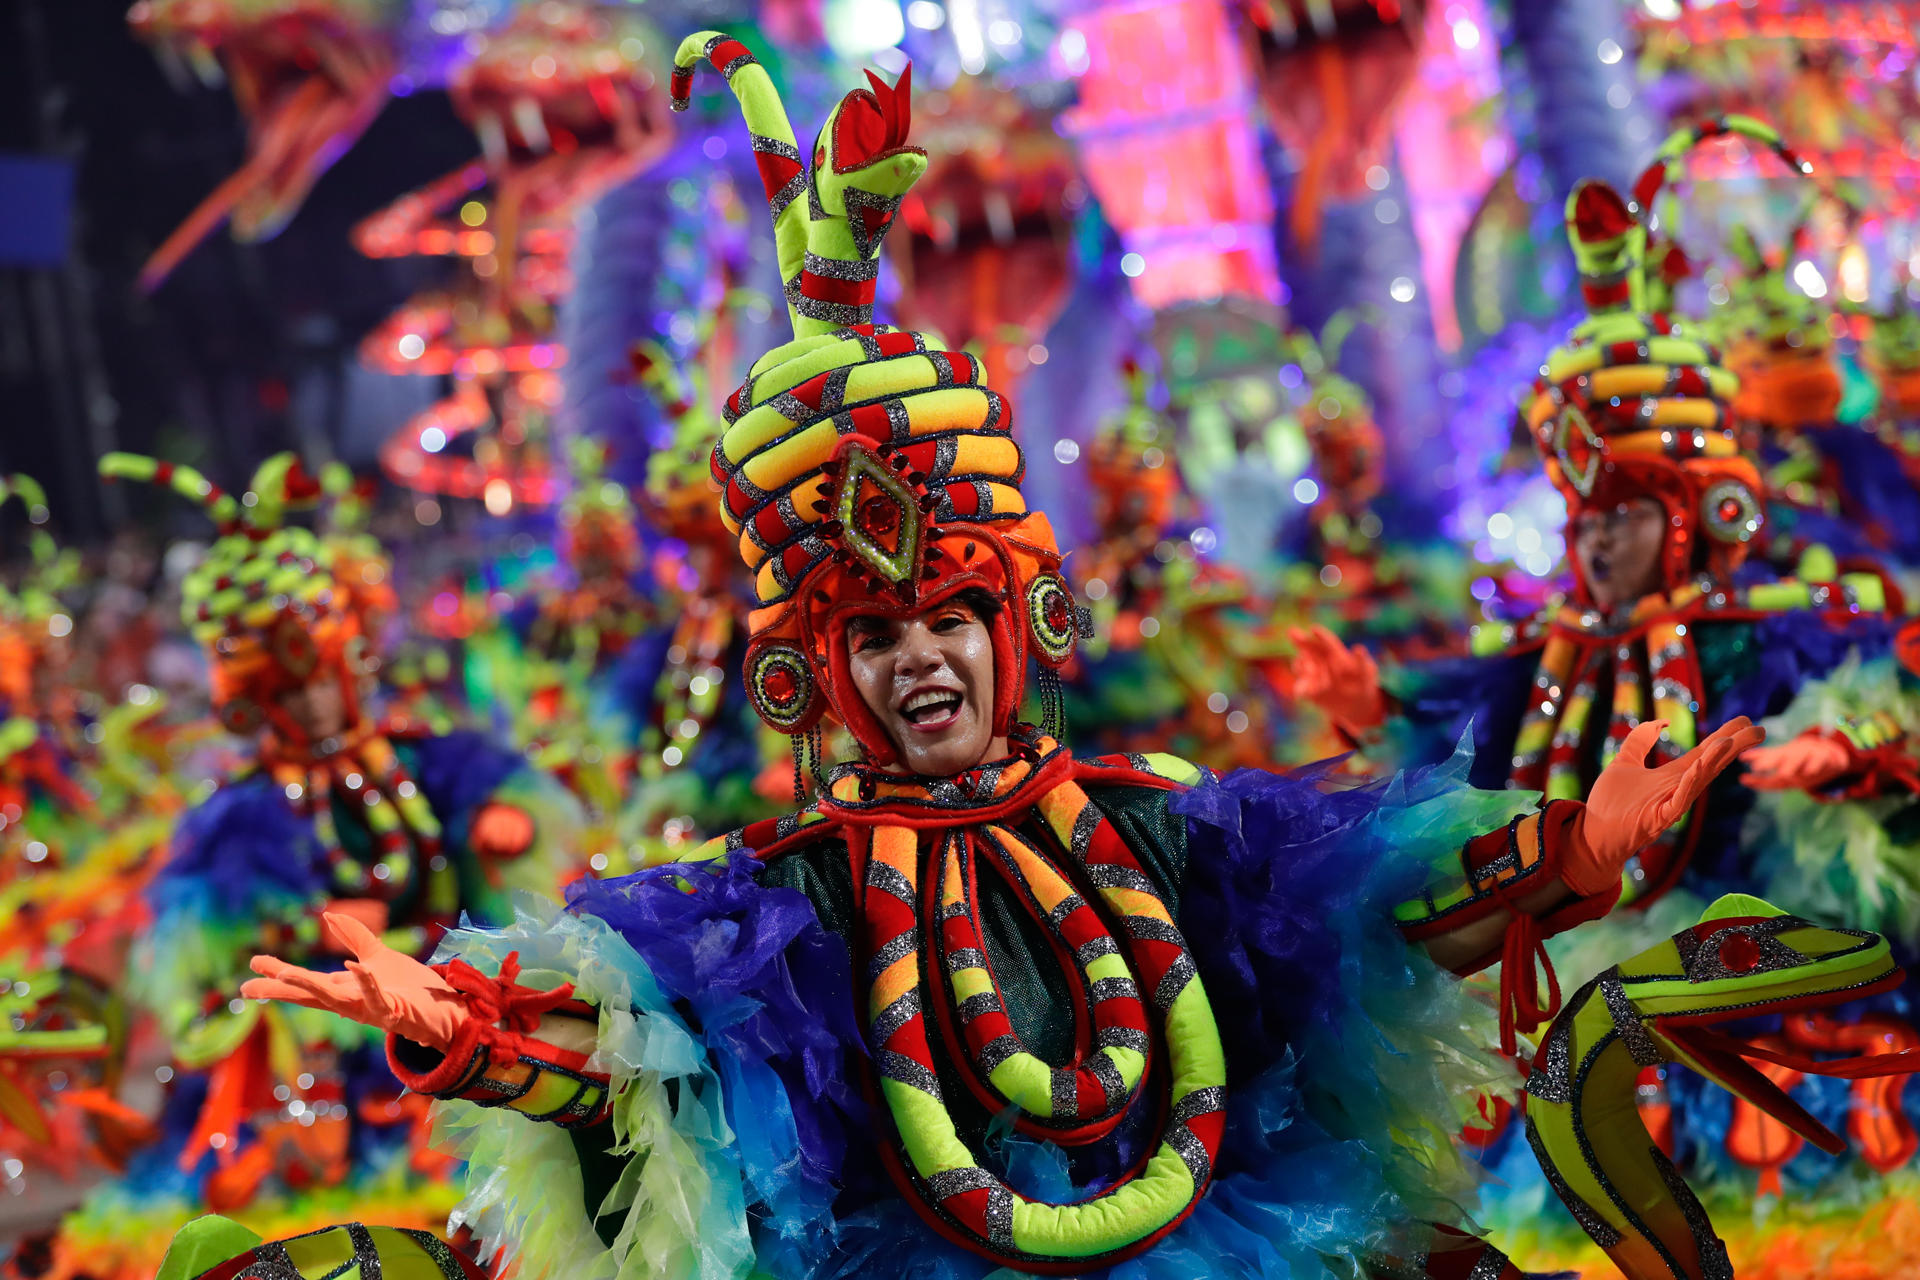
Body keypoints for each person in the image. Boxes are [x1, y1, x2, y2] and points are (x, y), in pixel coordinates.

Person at [208, 38, 1774, 1280]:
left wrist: (1577, 852)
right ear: (815, 683)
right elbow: (646, 1052)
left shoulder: (1161, 824)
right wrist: (466, 1032)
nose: (922, 663)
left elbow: (1367, 913)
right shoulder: (788, 895)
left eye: (950, 619)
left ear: (1019, 629)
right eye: (874, 639)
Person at [43, 454, 582, 1280]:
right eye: (281, 695)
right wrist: (304, 930)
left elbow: (491, 789)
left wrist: (498, 820)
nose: (308, 706)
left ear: (347, 660)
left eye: (315, 680)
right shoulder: (239, 810)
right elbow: (206, 934)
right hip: (319, 1028)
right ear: (249, 702)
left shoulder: (425, 756)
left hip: (441, 990)